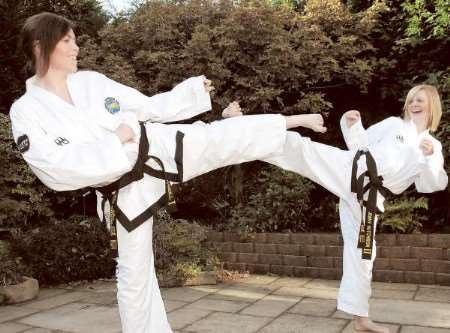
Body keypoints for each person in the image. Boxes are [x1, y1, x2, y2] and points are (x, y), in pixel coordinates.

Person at [10, 12, 327, 333]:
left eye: (75, 40)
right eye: (67, 41)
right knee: (133, 273)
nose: (76, 47)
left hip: (152, 147)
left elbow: (146, 106)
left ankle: (289, 123)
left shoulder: (91, 82)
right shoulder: (27, 110)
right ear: (41, 46)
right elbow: (56, 169)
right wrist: (115, 139)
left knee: (213, 139)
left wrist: (190, 93)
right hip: (119, 190)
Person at [266, 84, 448, 333]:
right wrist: (352, 124)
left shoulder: (433, 146)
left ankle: (361, 319)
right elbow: (361, 143)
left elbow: (431, 184)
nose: (415, 104)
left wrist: (428, 160)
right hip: (351, 170)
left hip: (369, 199)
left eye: (421, 100)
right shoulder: (394, 124)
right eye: (412, 100)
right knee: (303, 151)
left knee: (364, 253)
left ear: (432, 106)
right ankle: (248, 129)